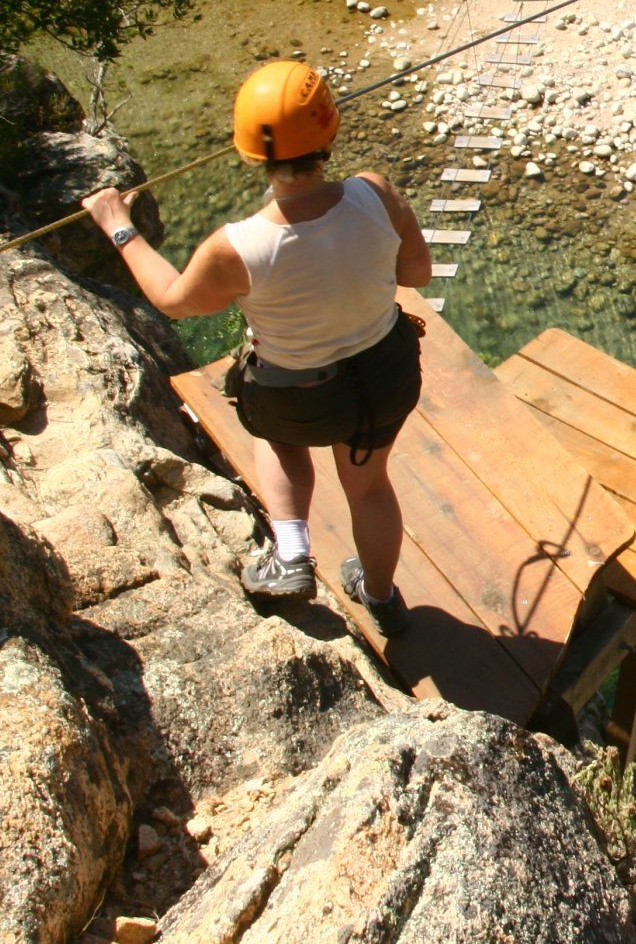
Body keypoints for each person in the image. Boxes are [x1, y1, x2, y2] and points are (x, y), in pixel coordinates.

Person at [81, 60, 432, 639]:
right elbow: (414, 271)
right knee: (369, 485)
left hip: (294, 391)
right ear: (330, 133)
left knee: (279, 437)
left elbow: (172, 300)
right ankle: (381, 596)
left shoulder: (237, 247)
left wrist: (119, 225)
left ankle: (291, 553)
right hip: (382, 373)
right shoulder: (375, 192)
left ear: (249, 154)